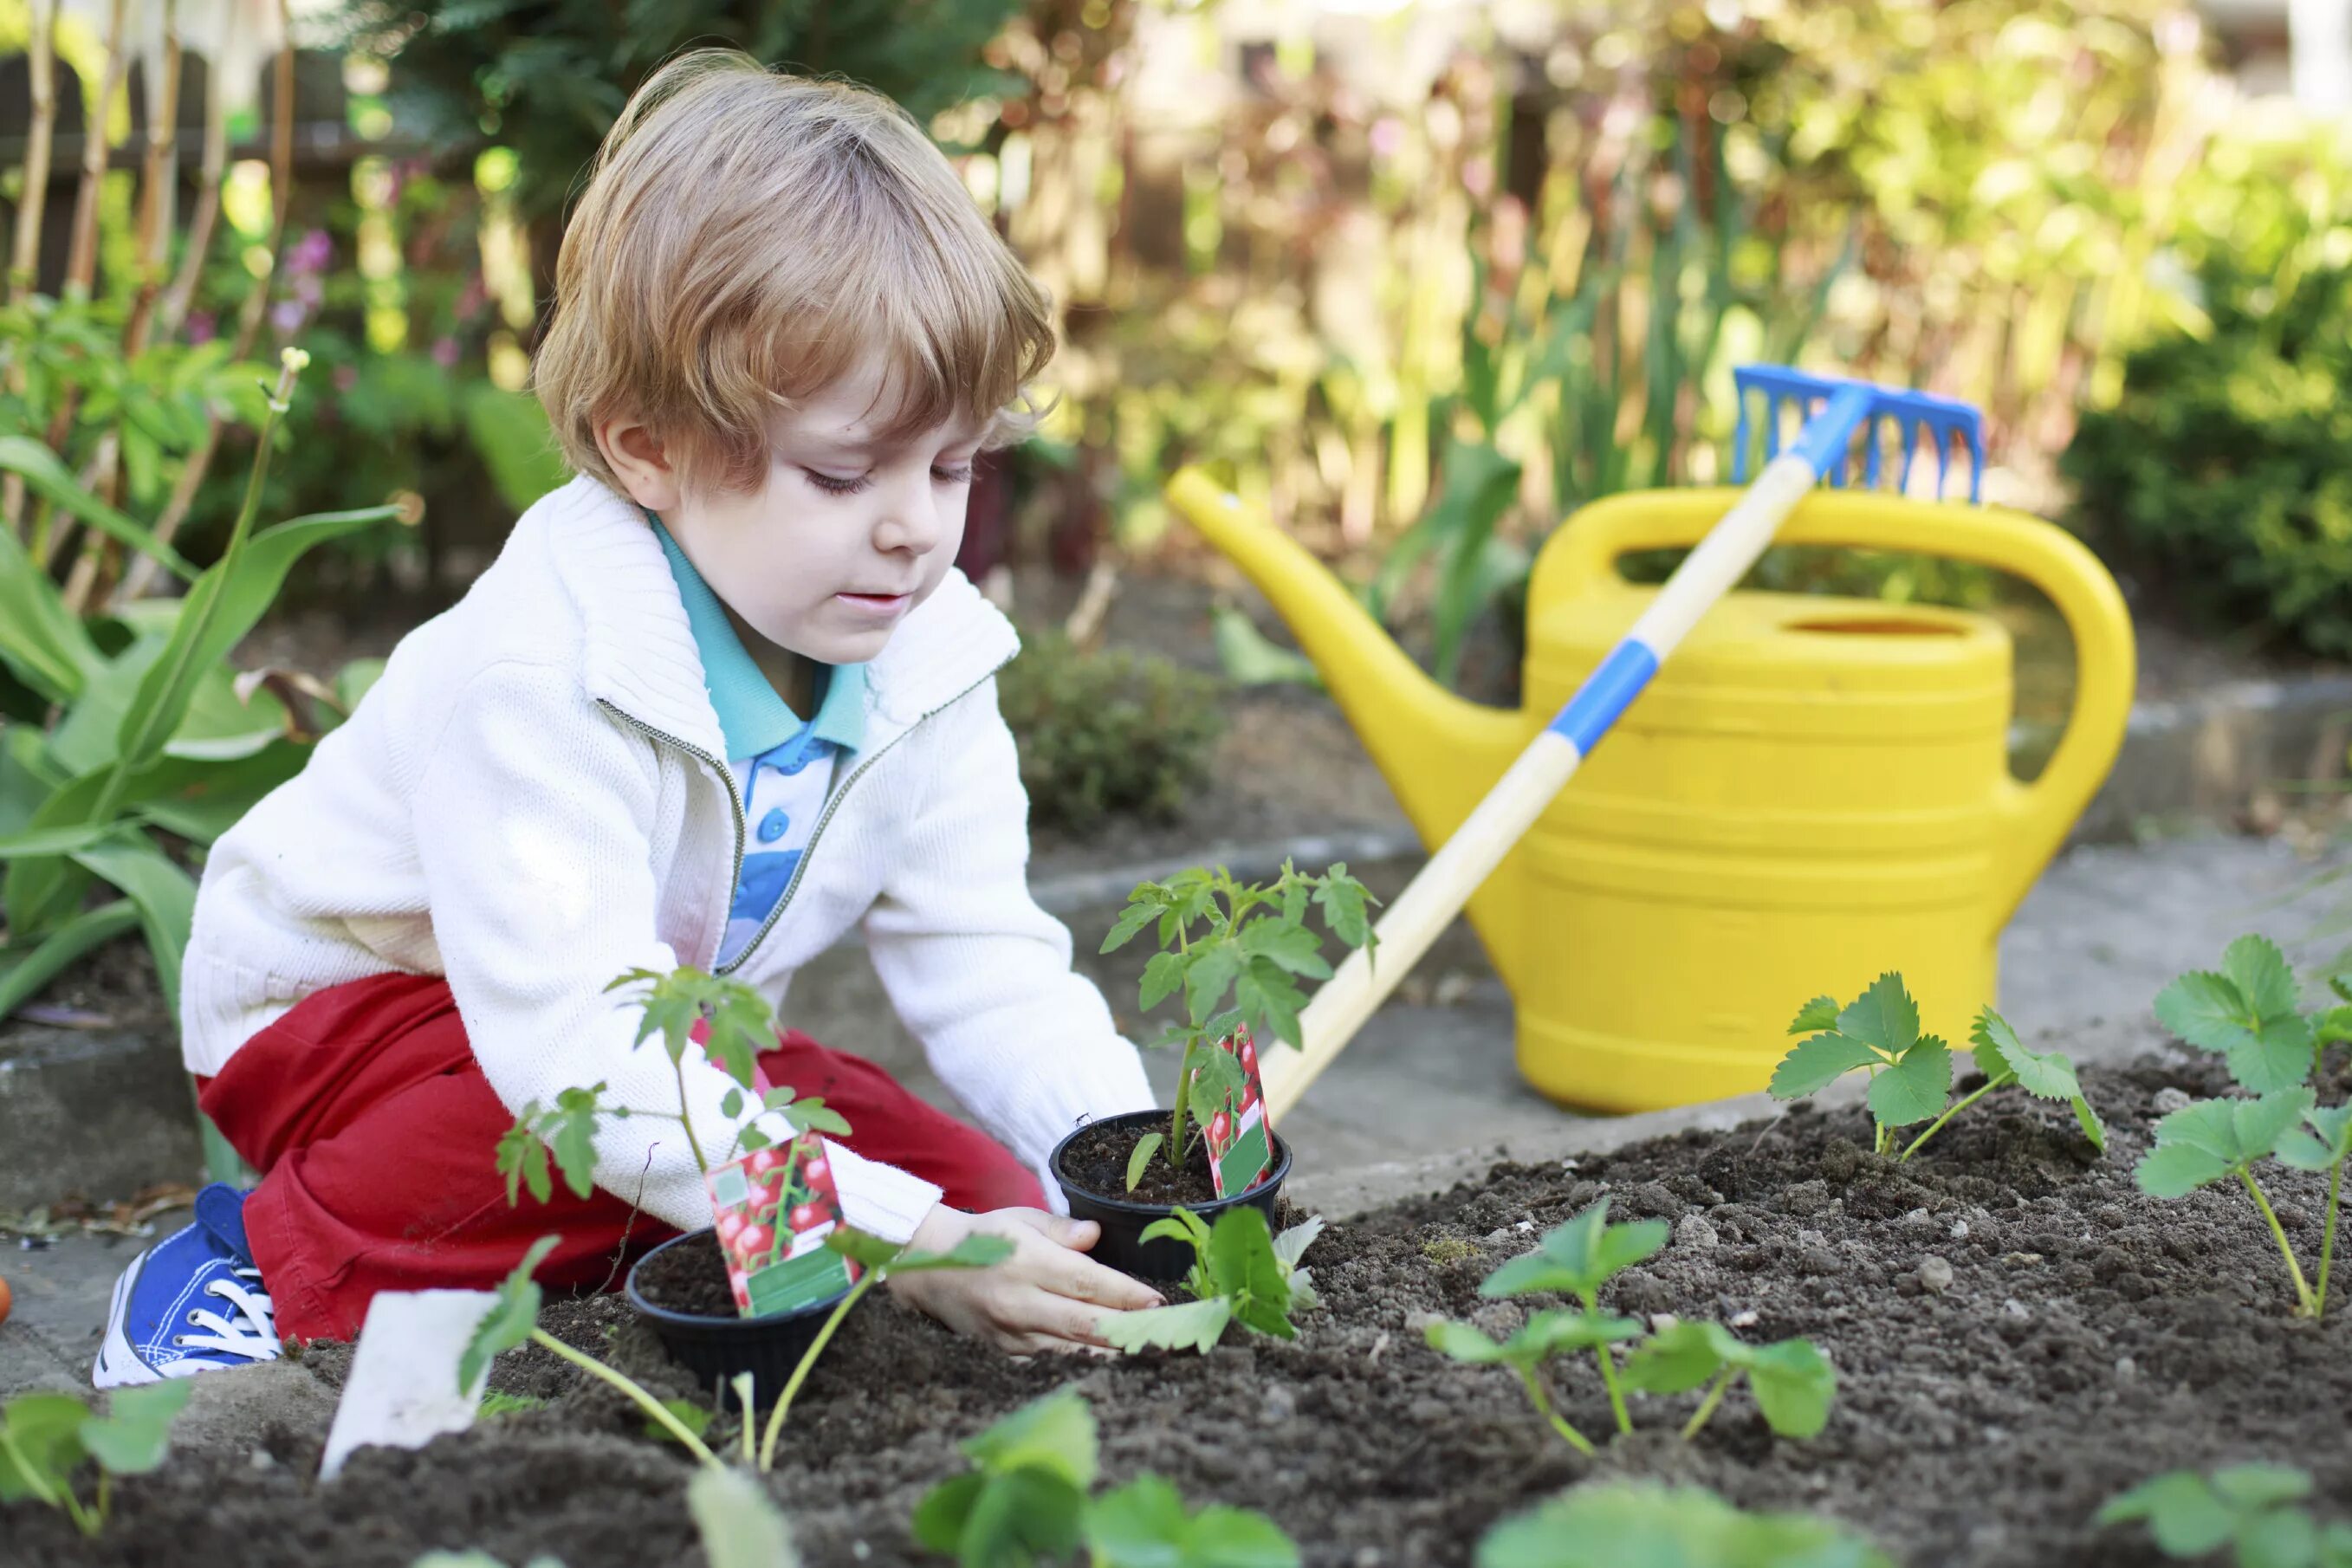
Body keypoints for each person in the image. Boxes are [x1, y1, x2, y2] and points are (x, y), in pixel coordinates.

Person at [93, 49, 1165, 1388]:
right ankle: (259, 1253)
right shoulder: (551, 662)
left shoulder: (926, 652)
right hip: (355, 1021)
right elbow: (571, 1057)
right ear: (649, 448)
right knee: (612, 1150)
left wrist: (1127, 1156)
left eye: (951, 465)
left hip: (641, 1027)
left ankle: (640, 1240)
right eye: (842, 471)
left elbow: (985, 954)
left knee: (981, 1187)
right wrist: (916, 1245)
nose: (913, 527)